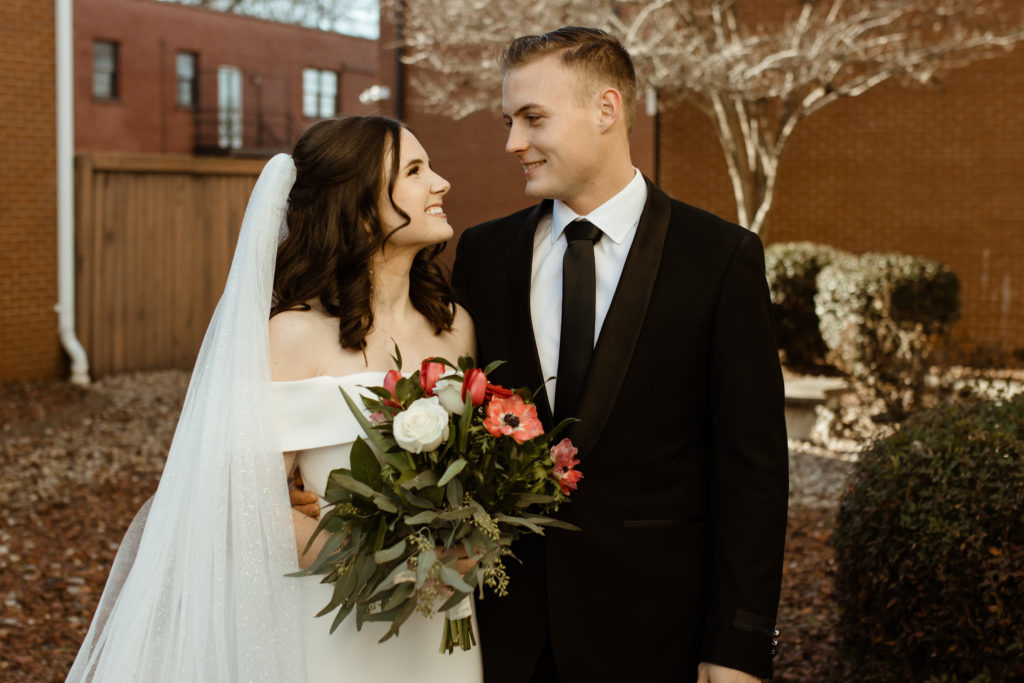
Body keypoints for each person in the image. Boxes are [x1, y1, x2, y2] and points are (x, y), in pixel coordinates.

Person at [66, 116, 481, 683]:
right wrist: (407, 562)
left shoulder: (456, 328)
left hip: (442, 620)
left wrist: (475, 532)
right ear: (359, 209)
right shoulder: (290, 336)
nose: (441, 183)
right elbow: (241, 510)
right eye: (415, 171)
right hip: (338, 625)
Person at [450, 28, 789, 683]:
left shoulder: (719, 258)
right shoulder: (483, 255)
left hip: (656, 636)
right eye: (508, 121)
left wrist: (738, 644)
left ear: (606, 110)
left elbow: (754, 471)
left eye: (532, 118)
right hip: (503, 639)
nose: (512, 143)